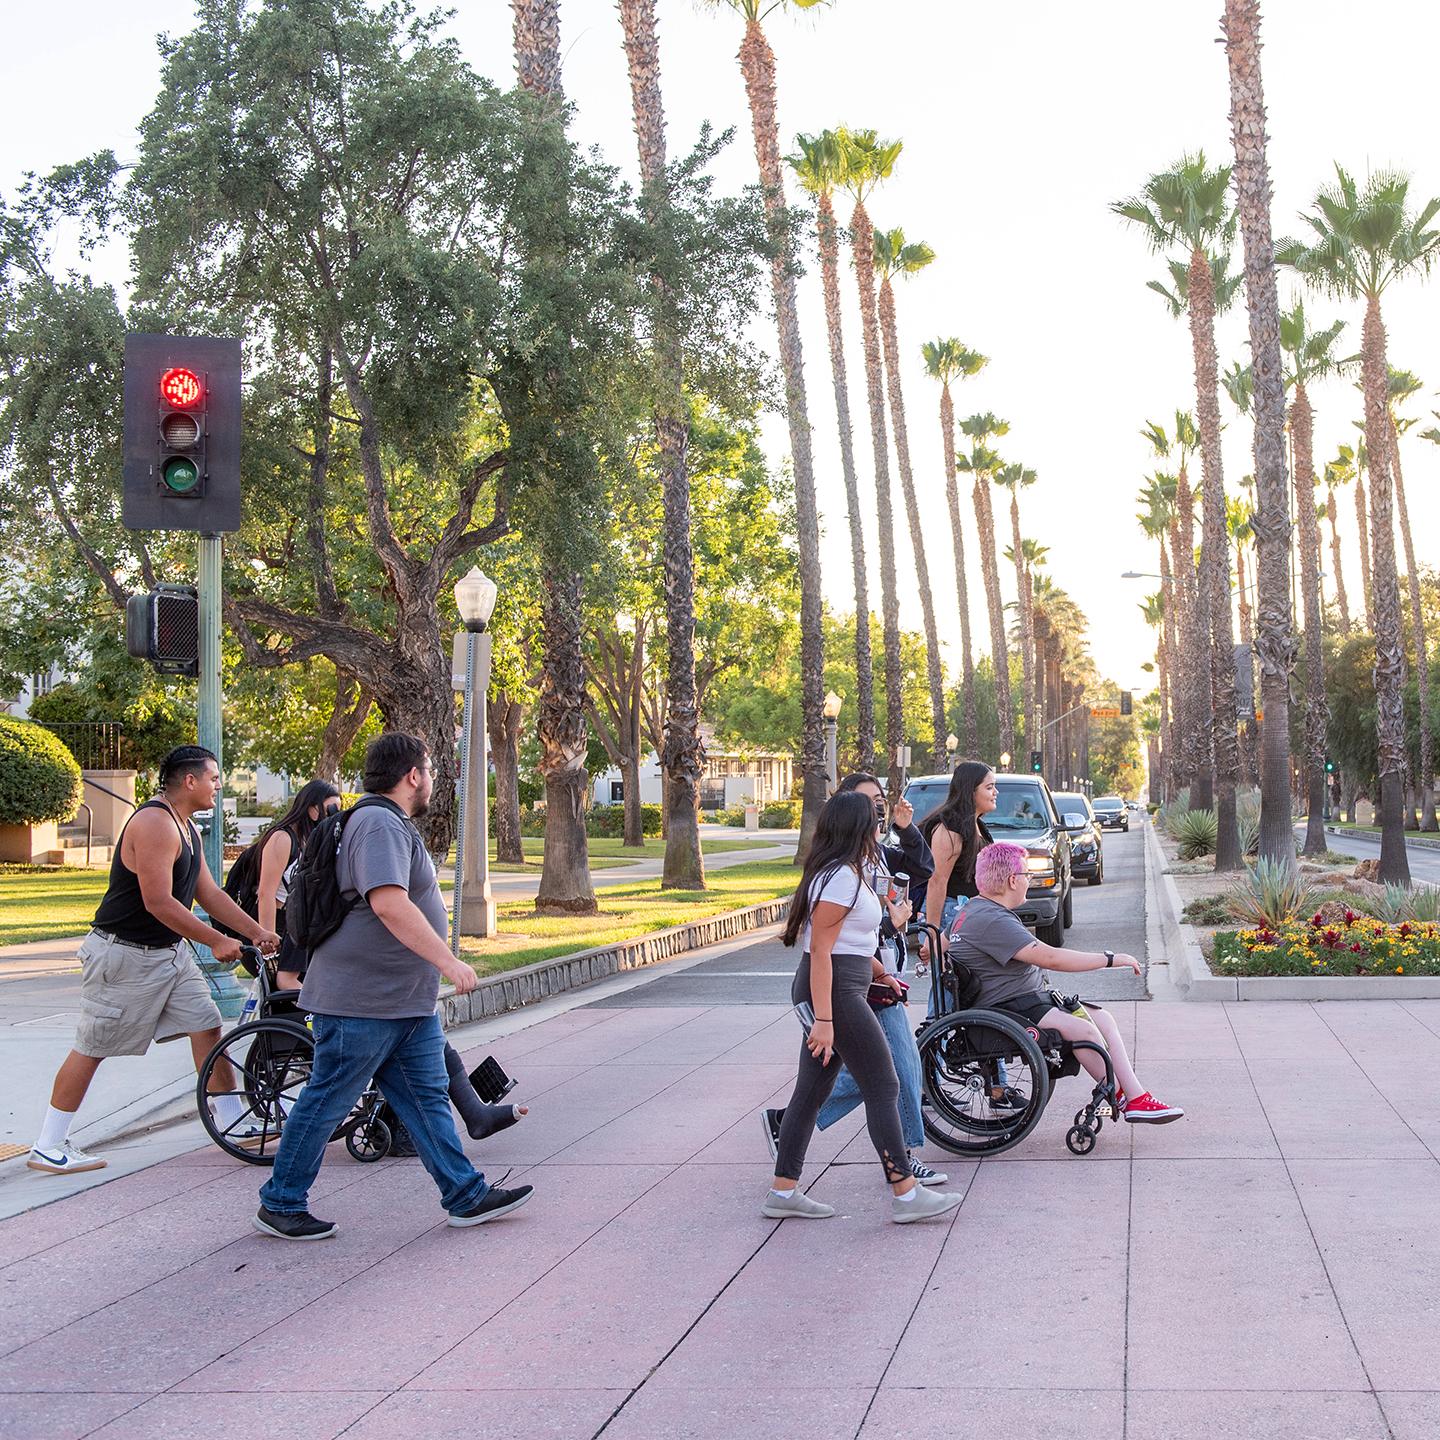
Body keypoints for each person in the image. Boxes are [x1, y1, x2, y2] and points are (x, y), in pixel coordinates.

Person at [254, 732, 532, 1240]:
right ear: (412, 775)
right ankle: (281, 1201)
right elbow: (388, 902)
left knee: (426, 1101)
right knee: (326, 1102)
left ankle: (465, 1195)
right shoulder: (378, 823)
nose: (432, 781)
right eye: (429, 770)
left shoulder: (386, 823)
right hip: (362, 1001)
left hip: (402, 1004)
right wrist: (449, 962)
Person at [27, 746, 281, 1175]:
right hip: (124, 955)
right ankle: (48, 1144)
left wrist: (254, 930)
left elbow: (209, 894)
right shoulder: (153, 824)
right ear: (189, 781)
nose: (218, 786)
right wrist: (217, 940)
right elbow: (159, 902)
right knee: (93, 1047)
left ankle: (234, 1117)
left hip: (169, 955)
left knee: (206, 1024)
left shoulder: (187, 827)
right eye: (214, 778)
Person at [763, 790, 963, 1224]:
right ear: (855, 829)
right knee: (882, 1083)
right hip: (833, 992)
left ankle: (783, 1190)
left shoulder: (848, 873)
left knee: (813, 1091)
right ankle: (905, 1193)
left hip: (846, 984)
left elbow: (850, 942)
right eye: (874, 821)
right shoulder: (840, 878)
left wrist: (880, 972)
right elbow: (820, 951)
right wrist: (824, 1020)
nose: (880, 827)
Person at [950, 842, 1184, 1123]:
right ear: (1013, 880)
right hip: (1010, 1008)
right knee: (1083, 1031)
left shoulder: (975, 910)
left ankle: (1136, 1097)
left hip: (1022, 1001)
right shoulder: (991, 919)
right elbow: (1051, 958)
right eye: (1027, 874)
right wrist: (1109, 959)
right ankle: (1121, 1096)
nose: (1030, 880)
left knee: (1103, 1019)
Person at [251, 779, 342, 990]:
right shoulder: (283, 838)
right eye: (329, 809)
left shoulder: (312, 839)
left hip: (299, 920)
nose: (334, 815)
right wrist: (267, 940)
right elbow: (266, 893)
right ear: (312, 808)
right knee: (283, 984)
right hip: (278, 922)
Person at [920, 759, 998, 956]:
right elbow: (937, 881)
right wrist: (933, 933)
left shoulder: (977, 824)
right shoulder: (949, 828)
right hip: (953, 915)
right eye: (989, 788)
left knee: (971, 982)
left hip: (973, 913)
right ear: (971, 791)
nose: (995, 793)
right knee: (952, 981)